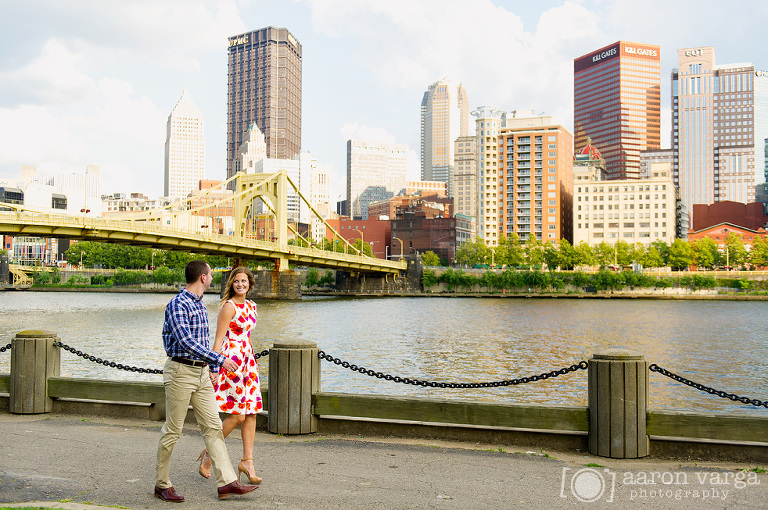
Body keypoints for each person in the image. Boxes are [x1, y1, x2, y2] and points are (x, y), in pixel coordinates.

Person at [154, 260, 258, 502]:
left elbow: (203, 343)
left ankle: (227, 483)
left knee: (213, 428)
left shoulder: (200, 305)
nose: (213, 277)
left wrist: (211, 367)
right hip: (180, 372)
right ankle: (162, 484)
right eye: (210, 274)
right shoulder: (178, 304)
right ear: (203, 277)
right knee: (173, 430)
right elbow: (186, 342)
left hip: (200, 373)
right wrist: (220, 360)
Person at [198, 267, 263, 484]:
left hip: (248, 365)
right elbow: (217, 340)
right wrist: (213, 368)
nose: (240, 285)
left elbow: (248, 336)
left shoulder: (252, 306)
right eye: (236, 282)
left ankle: (248, 461)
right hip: (231, 364)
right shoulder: (229, 307)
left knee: (251, 413)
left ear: (250, 284)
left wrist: (252, 363)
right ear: (231, 285)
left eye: (244, 281)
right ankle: (209, 453)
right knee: (237, 416)